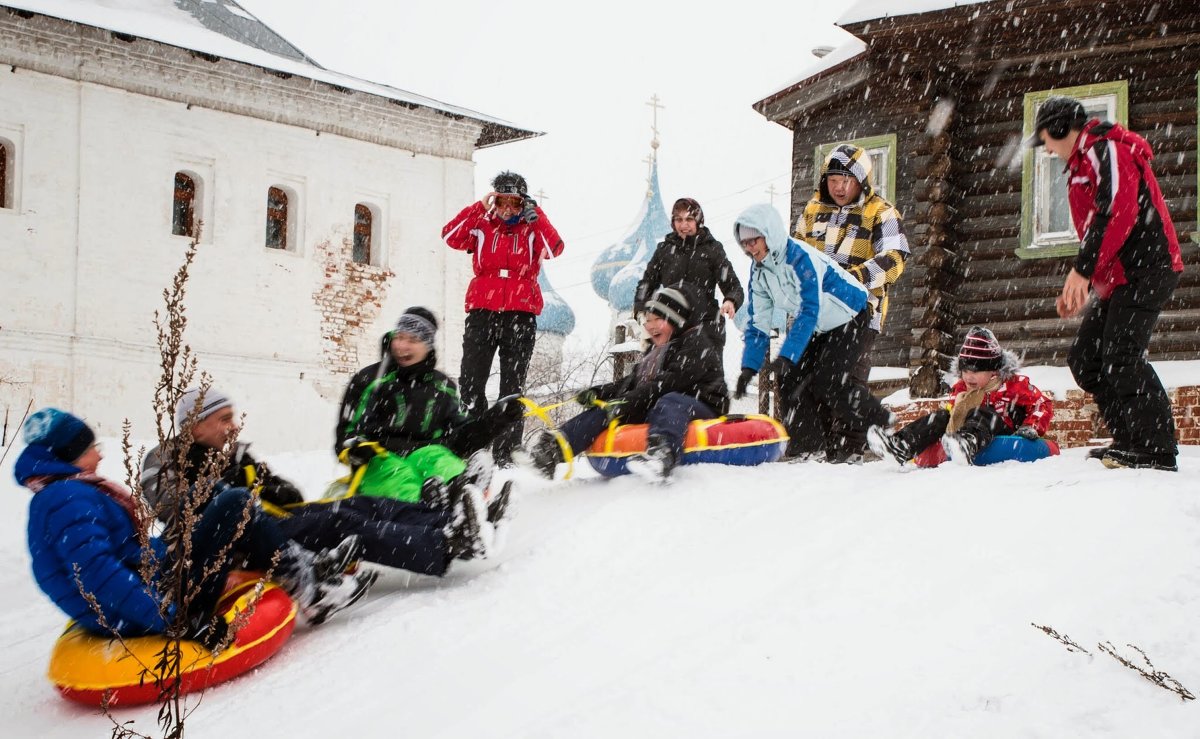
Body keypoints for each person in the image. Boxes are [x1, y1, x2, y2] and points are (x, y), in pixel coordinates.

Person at [16, 409, 371, 648]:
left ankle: (307, 570)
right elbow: (99, 576)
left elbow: (123, 555)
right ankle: (311, 588)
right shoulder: (67, 498)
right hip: (153, 606)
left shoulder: (63, 493)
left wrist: (175, 548)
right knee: (235, 503)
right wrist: (178, 621)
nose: (99, 455)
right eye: (92, 448)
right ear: (70, 455)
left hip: (156, 581)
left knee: (225, 500)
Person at [1032, 96, 1184, 472]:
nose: (1047, 149)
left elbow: (1117, 211)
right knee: (1086, 359)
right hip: (1118, 277)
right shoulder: (1081, 165)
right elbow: (1100, 232)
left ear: (1060, 128)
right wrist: (1089, 286)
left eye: (1046, 140)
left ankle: (1156, 448)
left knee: (1121, 356)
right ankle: (1130, 439)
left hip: (1148, 267)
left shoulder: (1107, 150)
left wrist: (1082, 272)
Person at [732, 203, 893, 462]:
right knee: (789, 377)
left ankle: (882, 422)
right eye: (745, 243)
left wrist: (789, 353)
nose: (750, 248)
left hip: (851, 314)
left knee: (828, 379)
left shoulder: (799, 258)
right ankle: (810, 447)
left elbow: (809, 310)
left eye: (754, 240)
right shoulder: (759, 271)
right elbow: (758, 322)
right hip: (820, 324)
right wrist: (748, 368)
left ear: (769, 234)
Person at [524, 284, 728, 482]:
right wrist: (599, 393)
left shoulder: (695, 344)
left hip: (702, 403)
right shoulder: (655, 352)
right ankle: (550, 451)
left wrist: (626, 402)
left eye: (658, 319)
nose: (651, 326)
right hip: (659, 402)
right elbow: (631, 383)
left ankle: (661, 454)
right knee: (604, 411)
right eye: (647, 320)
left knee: (670, 400)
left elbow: (666, 384)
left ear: (676, 320)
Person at [335, 306, 523, 504]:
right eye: (399, 337)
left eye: (413, 340)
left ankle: (468, 496)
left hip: (425, 454)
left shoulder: (442, 387)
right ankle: (438, 509)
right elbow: (346, 434)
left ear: (428, 346)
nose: (402, 346)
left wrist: (496, 419)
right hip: (379, 459)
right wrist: (356, 448)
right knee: (402, 479)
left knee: (442, 461)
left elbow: (460, 439)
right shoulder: (370, 381)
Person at [794, 144, 910, 462]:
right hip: (815, 313)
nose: (840, 187)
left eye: (847, 180)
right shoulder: (812, 211)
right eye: (834, 179)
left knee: (840, 376)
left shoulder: (881, 212)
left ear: (862, 181)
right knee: (800, 374)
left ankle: (851, 447)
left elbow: (895, 258)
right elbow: (796, 254)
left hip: (859, 311)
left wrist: (853, 278)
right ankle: (809, 447)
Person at [442, 170, 565, 466]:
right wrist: (478, 208)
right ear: (494, 200)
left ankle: (507, 451)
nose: (508, 209)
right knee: (472, 381)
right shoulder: (482, 224)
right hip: (483, 309)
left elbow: (554, 248)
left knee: (512, 386)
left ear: (523, 203)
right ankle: (472, 446)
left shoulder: (532, 227)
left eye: (514, 203)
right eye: (502, 202)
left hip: (520, 313)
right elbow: (449, 236)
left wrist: (538, 216)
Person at [867, 327, 1053, 466]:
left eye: (977, 371)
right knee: (941, 416)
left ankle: (967, 443)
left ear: (994, 370)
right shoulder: (961, 390)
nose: (969, 377)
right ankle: (901, 446)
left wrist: (1031, 426)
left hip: (1002, 431)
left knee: (983, 413)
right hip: (962, 432)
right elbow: (952, 414)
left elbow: (1041, 404)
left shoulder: (1013, 385)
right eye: (965, 370)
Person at [142, 386, 304, 523]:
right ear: (196, 427)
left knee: (329, 515)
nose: (234, 427)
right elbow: (170, 512)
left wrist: (270, 492)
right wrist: (227, 485)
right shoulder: (164, 457)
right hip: (215, 552)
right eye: (225, 419)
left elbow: (294, 497)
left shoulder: (237, 457)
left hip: (274, 532)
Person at [634, 197, 744, 352]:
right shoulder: (664, 250)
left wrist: (731, 301)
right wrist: (641, 311)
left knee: (705, 375)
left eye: (689, 219)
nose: (683, 225)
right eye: (678, 219)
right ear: (673, 223)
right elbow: (646, 284)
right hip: (670, 326)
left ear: (698, 221)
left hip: (705, 326)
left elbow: (733, 285)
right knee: (667, 374)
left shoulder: (712, 249)